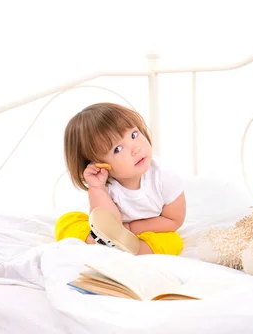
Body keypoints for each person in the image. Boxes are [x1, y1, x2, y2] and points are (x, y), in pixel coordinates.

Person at [54, 102, 186, 256]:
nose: (135, 148)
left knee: (172, 241)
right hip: (114, 233)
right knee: (67, 221)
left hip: (152, 230)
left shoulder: (164, 177)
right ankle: (99, 241)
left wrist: (130, 229)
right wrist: (97, 188)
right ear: (99, 163)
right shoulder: (106, 184)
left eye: (134, 135)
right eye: (117, 149)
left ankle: (132, 249)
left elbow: (173, 220)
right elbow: (107, 222)